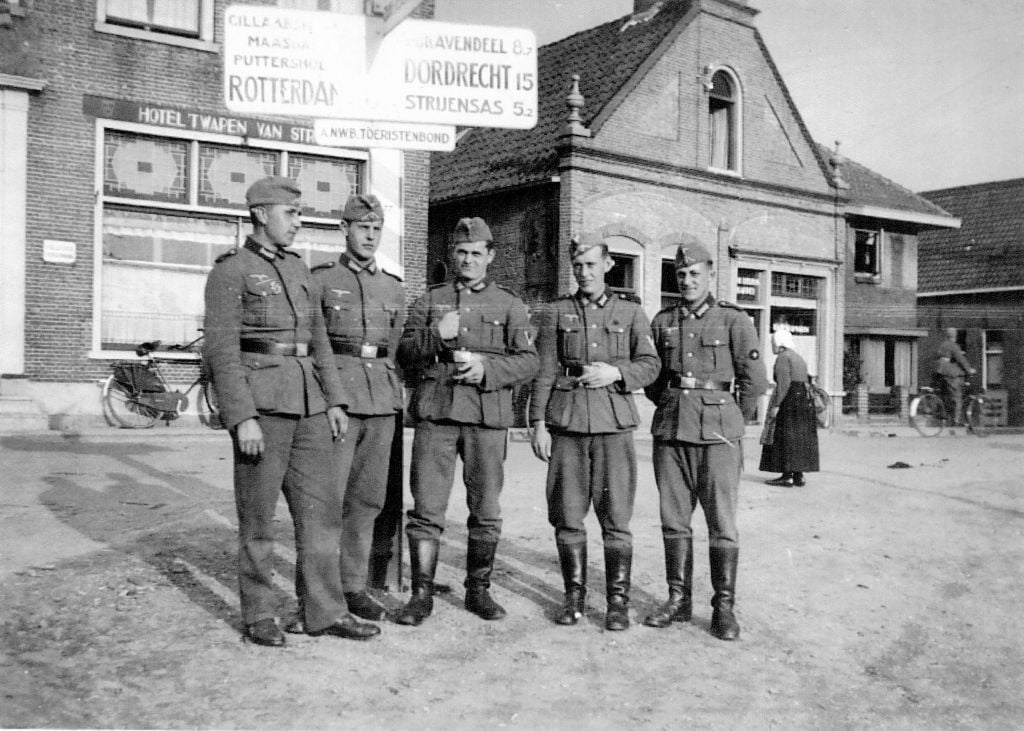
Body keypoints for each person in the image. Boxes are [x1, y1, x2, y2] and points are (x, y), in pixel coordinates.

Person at [203, 176, 379, 646]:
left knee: (322, 515)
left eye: (299, 214)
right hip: (262, 408)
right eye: (290, 214)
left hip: (311, 407)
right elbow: (221, 350)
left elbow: (318, 340)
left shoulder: (300, 270)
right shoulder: (230, 271)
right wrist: (241, 417)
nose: (298, 223)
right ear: (261, 214)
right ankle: (259, 612)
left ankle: (324, 610)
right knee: (259, 519)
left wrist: (336, 400)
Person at [394, 217, 538, 626]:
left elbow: (529, 360)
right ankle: (421, 596)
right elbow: (404, 352)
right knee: (426, 506)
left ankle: (479, 590)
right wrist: (436, 335)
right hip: (437, 413)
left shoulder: (510, 304)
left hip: (485, 416)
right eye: (461, 252)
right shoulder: (430, 299)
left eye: (477, 253)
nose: (468, 260)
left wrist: (488, 370)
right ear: (451, 255)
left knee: (486, 507)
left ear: (490, 256)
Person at [529, 233, 660, 630]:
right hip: (567, 422)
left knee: (616, 517)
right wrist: (537, 422)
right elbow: (544, 369)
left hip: (614, 423)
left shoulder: (632, 313)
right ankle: (574, 597)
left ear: (607, 265)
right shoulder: (556, 312)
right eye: (578, 266)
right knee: (567, 516)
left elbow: (650, 365)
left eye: (591, 264)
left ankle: (617, 602)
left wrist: (618, 373)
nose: (584, 272)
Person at [643, 237, 767, 641]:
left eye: (695, 274)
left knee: (722, 524)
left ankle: (723, 607)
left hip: (718, 436)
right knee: (674, 521)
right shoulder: (662, 322)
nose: (687, 280)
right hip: (672, 431)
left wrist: (731, 421)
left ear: (711, 274)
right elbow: (654, 380)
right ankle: (678, 600)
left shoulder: (734, 320)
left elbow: (754, 382)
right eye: (681, 274)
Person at [303, 193, 405, 625]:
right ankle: (319, 595)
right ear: (344, 229)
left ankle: (353, 587)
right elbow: (313, 345)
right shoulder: (321, 280)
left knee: (366, 501)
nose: (369, 235)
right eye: (362, 227)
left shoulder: (394, 287)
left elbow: (395, 349)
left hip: (381, 401)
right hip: (339, 399)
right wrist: (330, 399)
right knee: (328, 502)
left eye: (376, 228)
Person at [759, 328, 819, 487]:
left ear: (779, 344)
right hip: (803, 402)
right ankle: (798, 475)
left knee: (784, 437)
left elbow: (783, 384)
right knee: (798, 438)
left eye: (773, 343)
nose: (771, 346)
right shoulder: (798, 358)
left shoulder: (783, 358)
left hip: (789, 401)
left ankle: (787, 475)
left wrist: (776, 405)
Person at [934, 327, 976, 425]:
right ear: (955, 336)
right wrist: (969, 370)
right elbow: (961, 359)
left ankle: (945, 416)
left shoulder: (943, 345)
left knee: (945, 396)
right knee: (957, 396)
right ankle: (957, 420)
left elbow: (940, 356)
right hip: (949, 373)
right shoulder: (953, 345)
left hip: (939, 372)